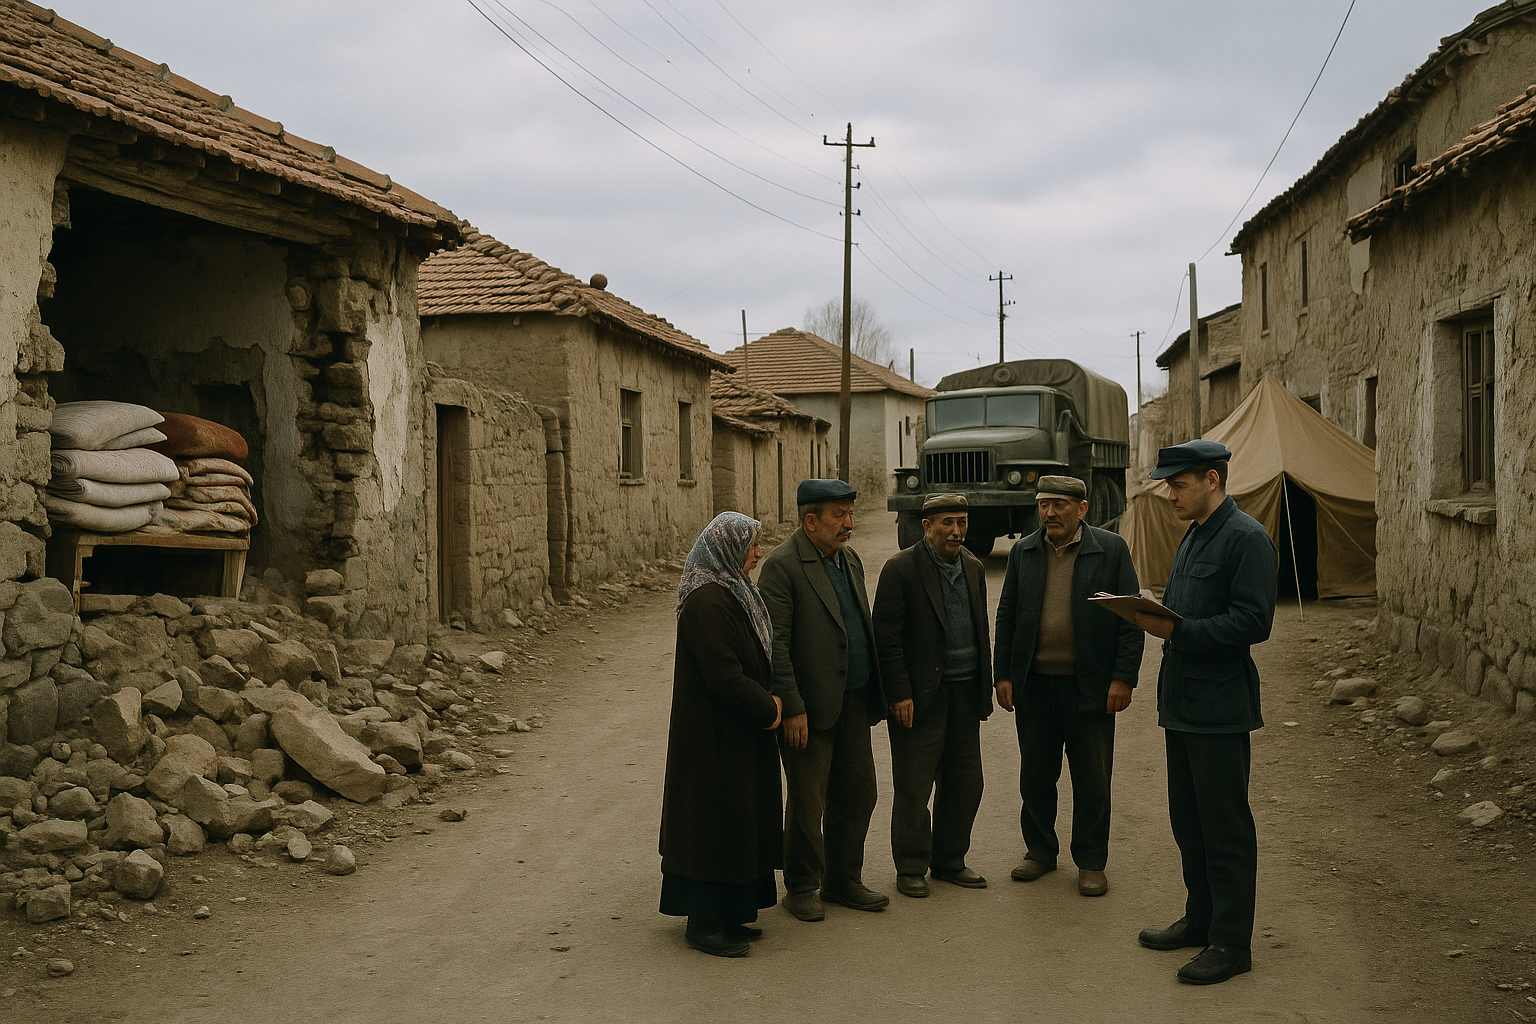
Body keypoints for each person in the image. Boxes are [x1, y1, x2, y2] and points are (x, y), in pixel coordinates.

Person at [1133, 440, 1277, 985]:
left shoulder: (1246, 538)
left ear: (1212, 480)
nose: (1171, 494)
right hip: (1184, 702)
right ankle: (1201, 918)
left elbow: (1253, 622)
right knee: (1189, 822)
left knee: (1225, 828)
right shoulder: (1194, 533)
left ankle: (1231, 942)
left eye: (1179, 484)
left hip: (1219, 705)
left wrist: (1178, 630)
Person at [993, 475, 1143, 897]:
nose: (1049, 513)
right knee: (1036, 775)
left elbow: (1131, 620)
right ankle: (1040, 851)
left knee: (1092, 779)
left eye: (1059, 505)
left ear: (1081, 509)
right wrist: (1003, 673)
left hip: (1090, 686)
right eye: (1043, 504)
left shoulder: (1110, 551)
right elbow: (1007, 614)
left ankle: (1092, 860)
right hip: (1035, 686)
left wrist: (1123, 677)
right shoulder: (1024, 551)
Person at [758, 479, 889, 921]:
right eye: (840, 515)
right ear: (810, 520)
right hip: (810, 707)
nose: (849, 524)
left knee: (859, 792)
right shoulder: (782, 566)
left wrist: (875, 693)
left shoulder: (847, 558)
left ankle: (842, 880)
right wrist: (792, 706)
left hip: (853, 698)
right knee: (807, 801)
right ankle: (801, 886)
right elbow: (775, 643)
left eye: (850, 514)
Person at [659, 512, 785, 958]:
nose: (758, 553)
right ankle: (704, 922)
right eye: (751, 545)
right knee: (714, 827)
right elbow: (723, 678)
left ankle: (730, 912)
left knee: (737, 822)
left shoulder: (732, 591)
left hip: (735, 737)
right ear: (726, 548)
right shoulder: (707, 602)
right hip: (712, 741)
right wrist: (768, 708)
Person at [872, 492, 993, 898]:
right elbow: (886, 641)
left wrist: (984, 688)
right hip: (921, 696)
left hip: (963, 691)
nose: (956, 531)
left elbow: (981, 631)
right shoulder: (901, 570)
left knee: (966, 782)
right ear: (927, 526)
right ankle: (910, 866)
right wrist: (899, 694)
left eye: (961, 522)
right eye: (947, 523)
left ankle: (949, 860)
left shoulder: (973, 567)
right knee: (914, 784)